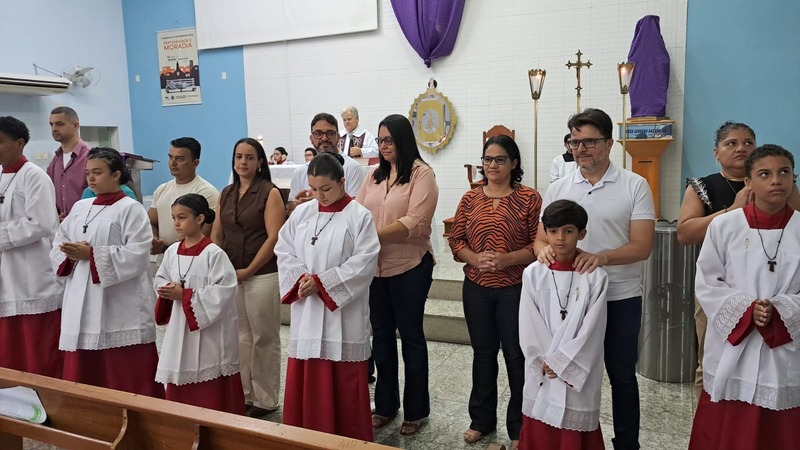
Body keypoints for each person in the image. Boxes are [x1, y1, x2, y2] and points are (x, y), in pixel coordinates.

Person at [534, 108, 655, 450]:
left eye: (589, 142)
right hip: (569, 300)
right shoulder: (559, 187)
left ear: (609, 143)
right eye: (575, 142)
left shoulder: (634, 185)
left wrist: (601, 258)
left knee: (621, 374)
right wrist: (544, 252)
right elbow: (540, 240)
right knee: (568, 370)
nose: (581, 149)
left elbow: (642, 246)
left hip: (619, 295)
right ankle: (572, 441)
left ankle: (627, 444)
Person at [689, 144, 800, 450]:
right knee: (730, 423)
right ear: (748, 182)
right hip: (734, 343)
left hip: (786, 344)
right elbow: (708, 281)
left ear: (793, 178)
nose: (776, 180)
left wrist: (781, 310)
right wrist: (747, 310)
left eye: (784, 172)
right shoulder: (724, 226)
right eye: (765, 174)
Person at [275, 152, 380, 441]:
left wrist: (322, 283)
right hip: (307, 310)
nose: (319, 196)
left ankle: (346, 440)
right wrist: (301, 279)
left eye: (325, 189)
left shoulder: (359, 216)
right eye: (313, 189)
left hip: (343, 315)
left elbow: (364, 262)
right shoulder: (302, 213)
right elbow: (283, 249)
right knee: (307, 381)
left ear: (342, 183)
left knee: (344, 387)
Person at [449, 134, 541, 447]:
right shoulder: (470, 198)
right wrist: (474, 258)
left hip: (516, 288)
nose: (492, 165)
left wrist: (506, 260)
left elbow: (538, 244)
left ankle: (519, 427)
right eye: (487, 159)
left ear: (513, 163)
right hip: (476, 287)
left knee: (516, 356)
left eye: (500, 159)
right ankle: (482, 420)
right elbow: (456, 240)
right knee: (483, 354)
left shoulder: (529, 198)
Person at [51, 148, 163, 397]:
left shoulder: (131, 208)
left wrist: (91, 254)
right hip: (82, 294)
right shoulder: (80, 207)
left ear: (116, 175)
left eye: (98, 172)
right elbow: (59, 240)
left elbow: (138, 253)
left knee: (121, 369)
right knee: (85, 370)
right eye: (88, 173)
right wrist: (69, 252)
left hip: (119, 301)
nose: (91, 178)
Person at [356, 114, 438, 437]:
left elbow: (415, 221)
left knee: (411, 337)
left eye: (389, 140)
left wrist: (371, 236)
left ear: (403, 139)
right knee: (381, 337)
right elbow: (357, 211)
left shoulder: (421, 174)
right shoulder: (373, 175)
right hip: (375, 269)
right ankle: (386, 406)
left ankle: (416, 411)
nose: (384, 146)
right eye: (380, 140)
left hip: (410, 266)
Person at [518, 200, 608, 450]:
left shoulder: (595, 277)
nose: (560, 238)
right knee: (540, 414)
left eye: (568, 231)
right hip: (542, 367)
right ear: (545, 233)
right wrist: (544, 359)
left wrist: (562, 362)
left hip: (577, 365)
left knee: (574, 423)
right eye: (553, 231)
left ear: (582, 233)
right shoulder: (534, 273)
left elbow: (593, 329)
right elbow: (528, 323)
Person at [676, 121, 756, 399]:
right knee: (711, 357)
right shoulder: (703, 186)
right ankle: (707, 419)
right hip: (717, 285)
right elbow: (686, 233)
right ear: (716, 152)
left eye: (748, 143)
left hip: (766, 285)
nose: (741, 148)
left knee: (760, 359)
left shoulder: (772, 181)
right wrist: (732, 211)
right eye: (731, 143)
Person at [211, 137, 285, 417]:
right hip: (231, 273)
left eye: (249, 157)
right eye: (239, 157)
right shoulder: (226, 193)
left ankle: (266, 399)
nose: (243, 162)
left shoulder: (269, 192)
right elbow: (217, 234)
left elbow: (274, 237)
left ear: (260, 162)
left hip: (261, 273)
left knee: (263, 337)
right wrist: (219, 266)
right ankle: (245, 394)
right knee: (241, 337)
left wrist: (250, 270)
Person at [154, 194, 245, 414]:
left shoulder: (214, 254)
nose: (176, 223)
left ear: (200, 218)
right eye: (174, 218)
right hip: (180, 325)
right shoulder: (172, 251)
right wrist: (167, 288)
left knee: (209, 376)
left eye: (182, 217)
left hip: (209, 332)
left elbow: (225, 290)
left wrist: (185, 295)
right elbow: (160, 278)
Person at [0, 116, 63, 377]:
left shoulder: (34, 176)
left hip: (32, 274)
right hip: (6, 273)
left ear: (20, 143)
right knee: (9, 346)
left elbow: (41, 223)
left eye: (0, 141)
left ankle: (45, 393)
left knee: (36, 346)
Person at [149, 137, 219, 257]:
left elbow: (203, 234)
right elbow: (151, 221)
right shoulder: (162, 189)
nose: (173, 163)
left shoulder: (206, 192)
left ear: (195, 163)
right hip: (163, 259)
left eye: (179, 159)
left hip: (192, 258)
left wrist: (165, 248)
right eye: (170, 157)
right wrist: (154, 239)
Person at [287, 113, 366, 215]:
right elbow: (291, 211)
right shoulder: (300, 172)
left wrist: (314, 203)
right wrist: (297, 204)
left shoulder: (353, 168)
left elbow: (356, 210)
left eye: (330, 133)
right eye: (318, 133)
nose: (324, 138)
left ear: (338, 137)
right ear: (311, 138)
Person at [46, 106, 91, 219]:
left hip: (86, 223)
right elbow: (48, 194)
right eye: (51, 124)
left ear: (75, 125)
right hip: (62, 225)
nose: (54, 129)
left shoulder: (90, 157)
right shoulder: (55, 161)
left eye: (59, 124)